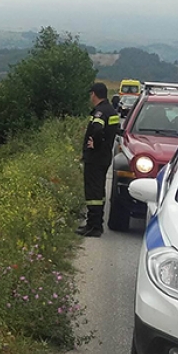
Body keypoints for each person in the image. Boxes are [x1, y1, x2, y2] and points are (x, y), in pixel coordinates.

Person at [76, 82, 119, 237]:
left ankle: (93, 226)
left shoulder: (100, 112)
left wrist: (95, 142)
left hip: (95, 158)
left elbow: (98, 128)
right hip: (104, 156)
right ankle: (96, 224)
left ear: (94, 94)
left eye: (90, 94)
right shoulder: (111, 110)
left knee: (93, 192)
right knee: (99, 192)